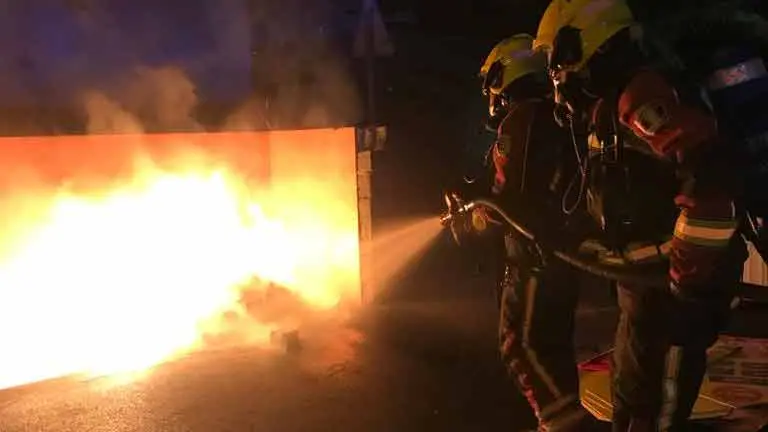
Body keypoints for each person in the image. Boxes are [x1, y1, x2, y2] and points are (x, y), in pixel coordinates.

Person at [532, 1, 749, 430]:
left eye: (556, 59)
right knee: (631, 399)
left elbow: (709, 178)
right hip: (645, 289)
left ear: (580, 45)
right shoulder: (612, 108)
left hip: (674, 292)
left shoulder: (641, 96)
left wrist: (686, 279)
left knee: (656, 410)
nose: (557, 75)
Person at [476, 33, 597, 431]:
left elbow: (512, 196)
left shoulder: (523, 118)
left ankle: (564, 426)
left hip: (534, 261)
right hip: (560, 255)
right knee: (552, 348)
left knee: (521, 347)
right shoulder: (555, 113)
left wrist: (477, 212)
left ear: (502, 77)